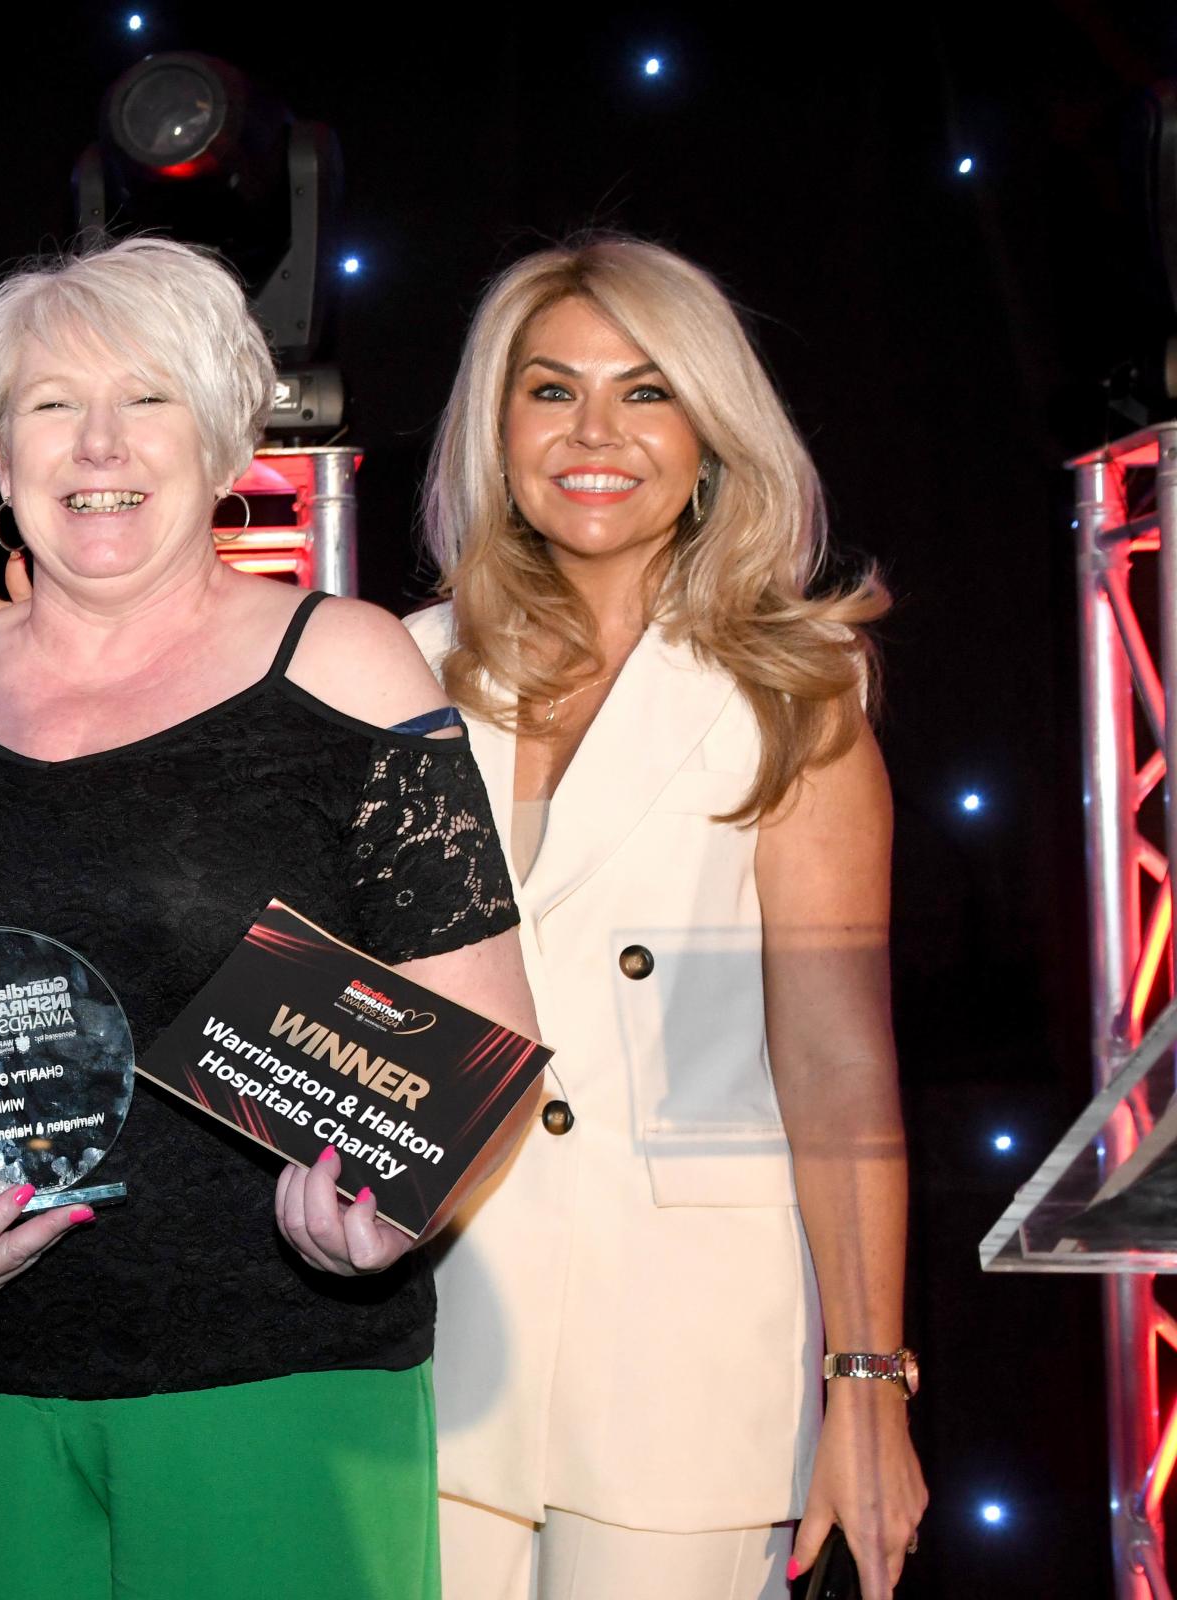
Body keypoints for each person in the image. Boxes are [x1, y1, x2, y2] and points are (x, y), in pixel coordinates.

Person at [0, 238, 541, 1600]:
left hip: (279, 1383)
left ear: (225, 441)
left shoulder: (344, 665)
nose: (98, 442)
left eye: (148, 399)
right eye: (50, 404)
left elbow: (484, 1028)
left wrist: (400, 1205)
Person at [405, 234, 928, 1599]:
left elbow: (836, 1067)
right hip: (426, 1327)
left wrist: (868, 1384)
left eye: (646, 392)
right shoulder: (392, 670)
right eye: (550, 390)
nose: (595, 433)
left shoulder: (790, 701)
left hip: (690, 1355)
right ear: (497, 427)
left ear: (711, 432)